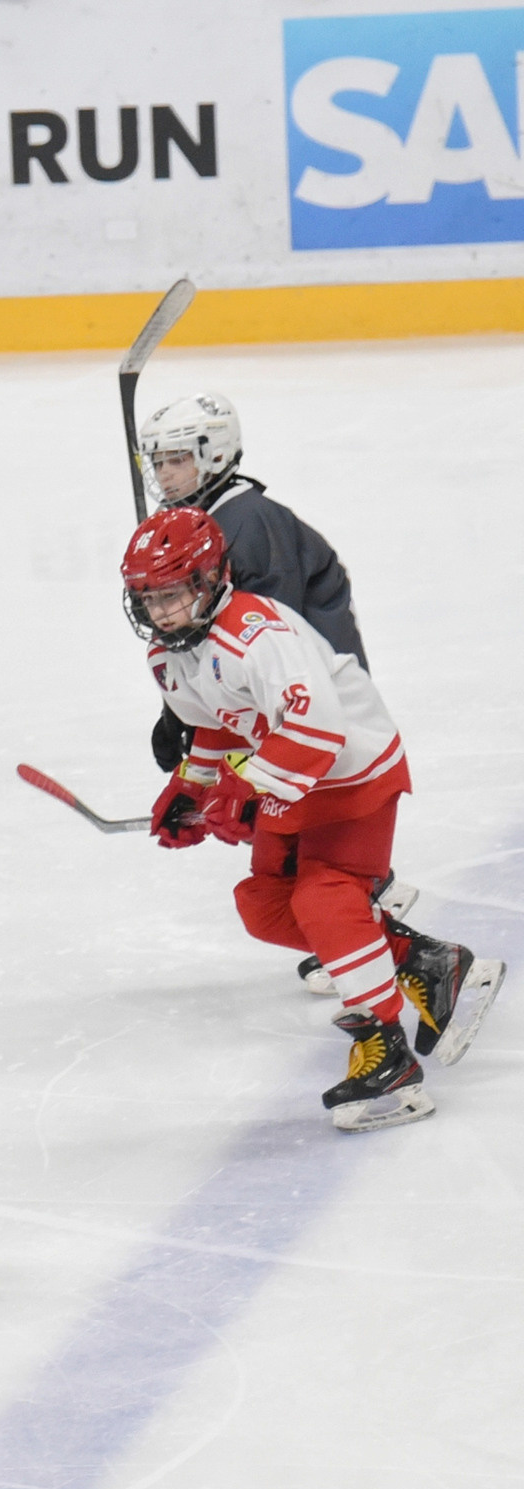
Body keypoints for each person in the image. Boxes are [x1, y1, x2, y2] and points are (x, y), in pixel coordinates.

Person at [123, 508, 502, 1131]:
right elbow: (217, 719)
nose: (161, 612)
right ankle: (424, 961)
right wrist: (191, 787)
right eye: (149, 598)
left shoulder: (256, 635)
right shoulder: (169, 655)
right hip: (292, 772)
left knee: (328, 899)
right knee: (266, 906)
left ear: (211, 577)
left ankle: (389, 1054)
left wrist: (244, 792)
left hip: (352, 771)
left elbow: (318, 728)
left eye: (173, 594)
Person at [136, 391, 414, 980]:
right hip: (269, 699)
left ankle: (354, 912)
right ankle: (343, 918)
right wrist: (183, 713)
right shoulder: (203, 519)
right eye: (156, 462)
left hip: (310, 694)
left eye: (178, 459)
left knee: (279, 808)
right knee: (266, 817)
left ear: (215, 454)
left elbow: (261, 641)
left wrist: (196, 724)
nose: (165, 474)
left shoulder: (247, 520)